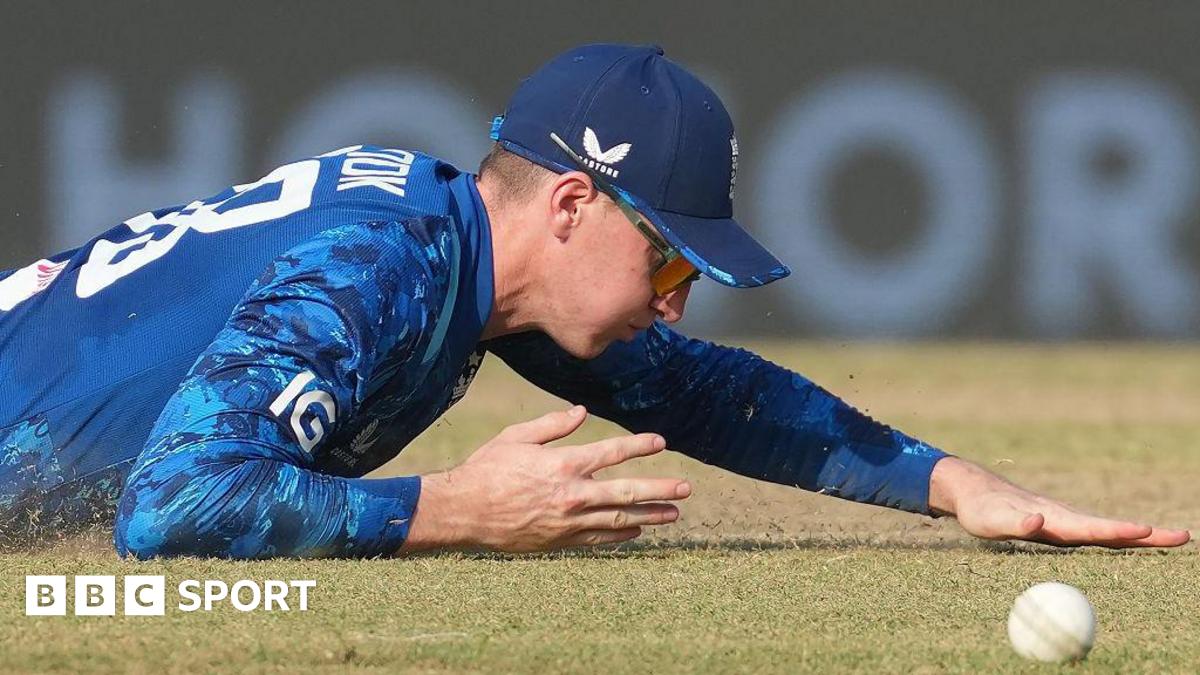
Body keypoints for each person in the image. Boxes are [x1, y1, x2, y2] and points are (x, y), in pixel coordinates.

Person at [0, 44, 1188, 558]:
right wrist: (456, 510)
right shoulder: (390, 265)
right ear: (572, 203)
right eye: (668, 260)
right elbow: (170, 508)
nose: (675, 303)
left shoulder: (469, 264)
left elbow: (712, 398)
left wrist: (952, 484)